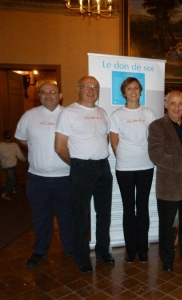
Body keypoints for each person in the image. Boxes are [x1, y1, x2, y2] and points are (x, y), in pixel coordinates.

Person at [55, 76, 114, 274]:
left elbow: (104, 139)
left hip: (103, 167)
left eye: (95, 87)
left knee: (104, 212)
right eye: (86, 87)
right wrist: (78, 165)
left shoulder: (103, 112)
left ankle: (102, 251)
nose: (91, 90)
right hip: (81, 167)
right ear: (78, 89)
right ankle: (81, 257)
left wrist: (97, 160)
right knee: (80, 214)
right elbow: (59, 147)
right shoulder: (69, 112)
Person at [14, 82, 73, 268]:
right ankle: (40, 251)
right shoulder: (29, 116)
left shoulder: (69, 115)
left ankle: (70, 250)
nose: (48, 95)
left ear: (60, 95)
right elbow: (21, 138)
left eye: (52, 92)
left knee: (67, 217)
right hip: (37, 179)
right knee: (41, 217)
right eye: (44, 92)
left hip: (65, 178)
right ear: (39, 95)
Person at [148, 90, 182, 272]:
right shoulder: (157, 126)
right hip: (170, 182)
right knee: (166, 223)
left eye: (181, 104)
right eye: (173, 103)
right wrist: (181, 165)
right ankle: (167, 258)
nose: (177, 107)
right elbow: (156, 154)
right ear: (165, 105)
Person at [110, 77, 156, 263]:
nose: (133, 91)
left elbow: (153, 139)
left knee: (142, 207)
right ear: (124, 92)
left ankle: (142, 248)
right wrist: (123, 156)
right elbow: (114, 141)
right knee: (128, 208)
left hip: (146, 165)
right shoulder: (117, 115)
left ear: (140, 91)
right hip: (125, 167)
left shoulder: (149, 113)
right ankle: (130, 250)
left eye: (136, 88)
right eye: (129, 88)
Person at [0, 129, 26, 201]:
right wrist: (25, 159)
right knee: (11, 179)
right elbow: (20, 156)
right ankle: (6, 193)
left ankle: (15, 188)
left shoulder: (1, 145)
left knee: (14, 176)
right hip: (11, 166)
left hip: (4, 165)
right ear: (11, 137)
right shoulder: (15, 145)